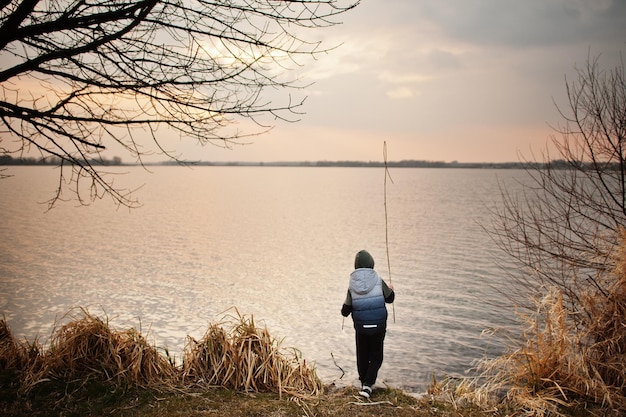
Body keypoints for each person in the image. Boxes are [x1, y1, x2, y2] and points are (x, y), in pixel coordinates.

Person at [341, 249, 395, 399]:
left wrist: (346, 310)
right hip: (378, 326)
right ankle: (368, 385)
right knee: (376, 356)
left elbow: (345, 310)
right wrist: (391, 290)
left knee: (362, 354)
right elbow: (390, 299)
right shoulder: (378, 280)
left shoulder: (352, 285)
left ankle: (364, 382)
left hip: (361, 327)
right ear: (371, 263)